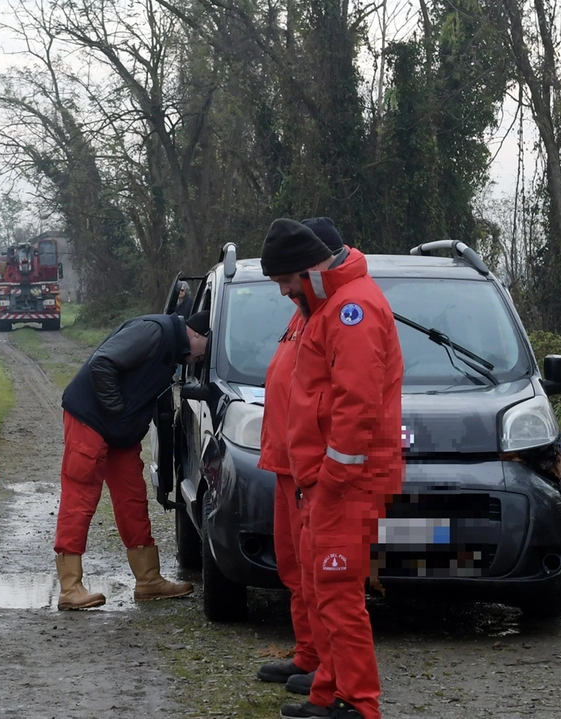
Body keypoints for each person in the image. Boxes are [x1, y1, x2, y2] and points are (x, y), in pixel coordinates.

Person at [263, 220, 404, 719]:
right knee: (323, 587)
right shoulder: (329, 307)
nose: (282, 292)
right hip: (323, 481)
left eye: (284, 282)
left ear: (309, 270)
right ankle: (329, 690)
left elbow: (355, 407)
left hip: (344, 484)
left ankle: (358, 704)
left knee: (339, 592)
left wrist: (332, 480)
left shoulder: (352, 310)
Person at [54, 310, 212, 610]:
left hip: (119, 431)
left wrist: (122, 421)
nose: (202, 360)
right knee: (81, 493)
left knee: (132, 497)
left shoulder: (173, 347)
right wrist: (117, 411)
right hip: (90, 418)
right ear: (197, 335)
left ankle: (149, 580)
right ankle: (70, 588)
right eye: (206, 351)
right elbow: (102, 364)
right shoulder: (154, 331)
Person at [254, 218, 346, 693]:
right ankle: (308, 654)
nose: (288, 290)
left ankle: (325, 667)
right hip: (285, 462)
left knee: (318, 573)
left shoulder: (335, 313)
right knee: (294, 568)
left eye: (292, 280)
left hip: (310, 467)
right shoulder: (302, 312)